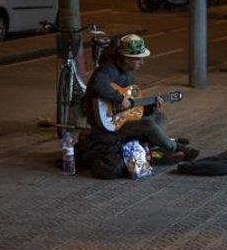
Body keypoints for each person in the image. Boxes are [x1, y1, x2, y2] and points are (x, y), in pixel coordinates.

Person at [82, 33, 195, 165]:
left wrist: (150, 107)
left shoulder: (128, 74)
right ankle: (174, 148)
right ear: (126, 58)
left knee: (159, 117)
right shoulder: (108, 69)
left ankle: (155, 150)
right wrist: (119, 99)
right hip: (108, 124)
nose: (142, 62)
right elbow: (97, 84)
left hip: (122, 119)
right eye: (138, 59)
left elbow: (131, 107)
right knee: (149, 125)